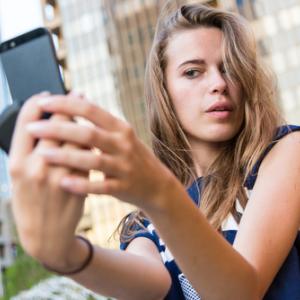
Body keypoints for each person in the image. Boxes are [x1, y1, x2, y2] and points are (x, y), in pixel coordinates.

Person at [8, 1, 300, 300]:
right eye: (192, 72)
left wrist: (158, 191)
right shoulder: (146, 223)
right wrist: (63, 252)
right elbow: (147, 282)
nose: (219, 83)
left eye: (229, 69)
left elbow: (240, 293)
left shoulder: (285, 151)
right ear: (164, 93)